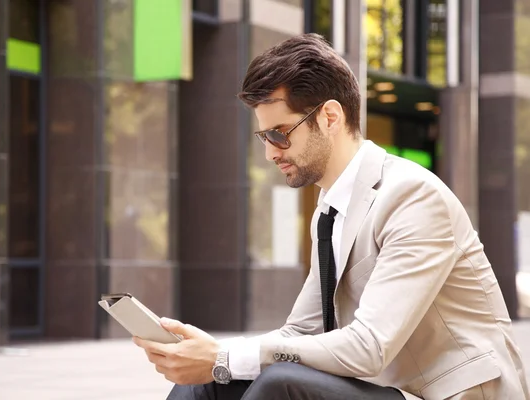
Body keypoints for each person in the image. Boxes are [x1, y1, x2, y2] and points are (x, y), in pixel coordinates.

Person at [133, 33, 530, 400]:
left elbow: (369, 347)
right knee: (207, 387)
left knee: (274, 382)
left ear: (330, 117)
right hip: (391, 390)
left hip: (446, 394)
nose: (271, 152)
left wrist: (224, 356)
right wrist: (215, 356)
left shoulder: (412, 196)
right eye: (264, 136)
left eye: (280, 133)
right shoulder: (331, 209)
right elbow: (299, 332)